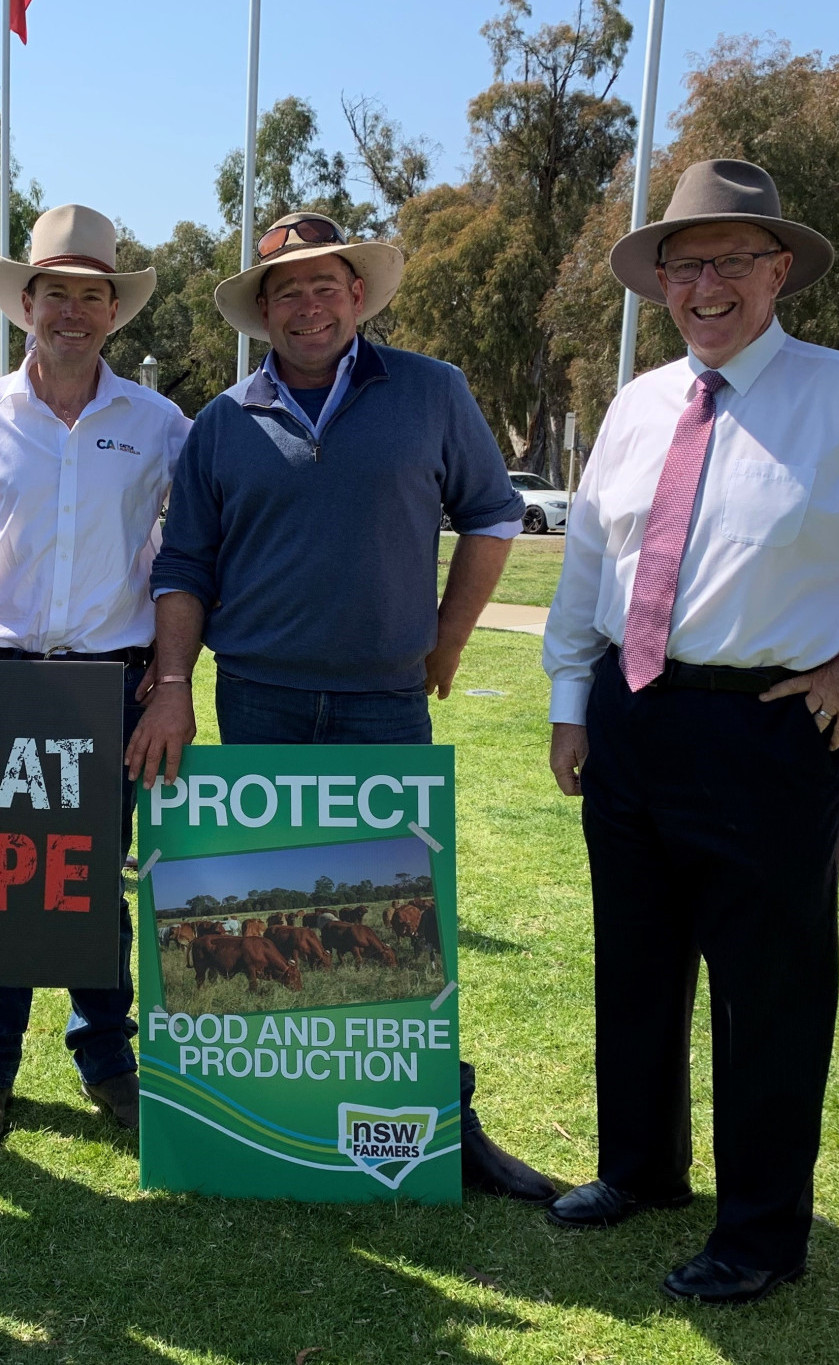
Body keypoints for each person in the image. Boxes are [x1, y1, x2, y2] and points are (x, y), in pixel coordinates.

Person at [540, 160, 839, 1304]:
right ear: (658, 280)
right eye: (683, 263)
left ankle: (759, 1233)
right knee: (638, 958)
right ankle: (639, 1171)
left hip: (766, 728)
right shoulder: (636, 404)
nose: (704, 285)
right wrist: (571, 701)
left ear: (777, 271)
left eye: (729, 261)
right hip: (630, 710)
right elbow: (587, 565)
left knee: (766, 989)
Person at [127, 210, 555, 1205]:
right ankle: (275, 1124)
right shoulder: (222, 422)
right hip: (260, 699)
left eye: (325, 286)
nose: (307, 305)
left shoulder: (429, 392)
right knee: (266, 917)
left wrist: (447, 638)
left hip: (382, 704)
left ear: (357, 296)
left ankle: (441, 1119)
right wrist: (176, 683)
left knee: (394, 923)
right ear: (262, 310)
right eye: (286, 291)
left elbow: (491, 514)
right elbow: (183, 566)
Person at [0, 203, 190, 1146]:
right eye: (55, 294)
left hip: (112, 685)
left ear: (113, 310)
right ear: (25, 302)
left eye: (92, 295)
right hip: (4, 677)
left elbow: (184, 562)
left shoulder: (160, 423)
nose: (72, 311)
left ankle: (107, 1059)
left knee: (93, 880)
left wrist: (168, 682)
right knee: (1, 881)